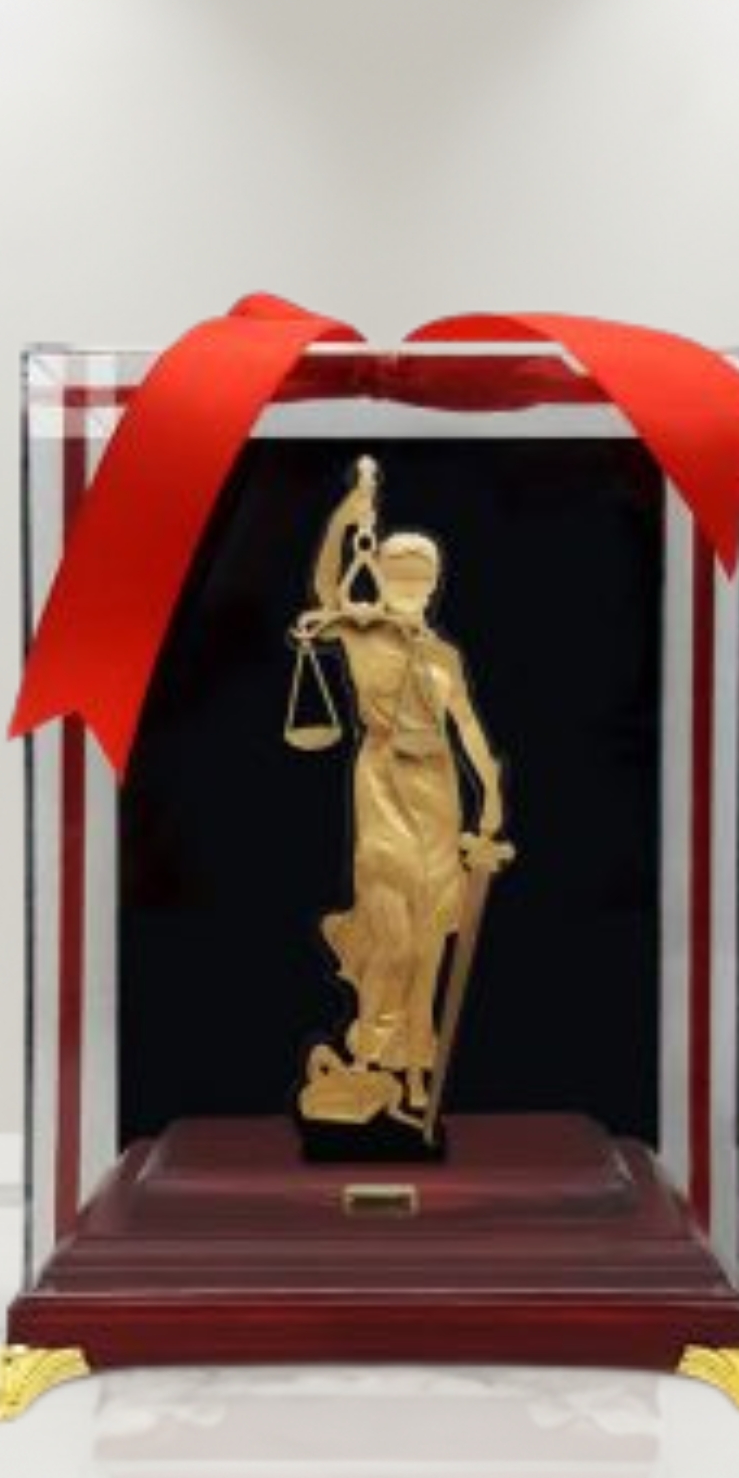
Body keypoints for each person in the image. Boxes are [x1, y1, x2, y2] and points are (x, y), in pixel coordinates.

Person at [293, 457, 504, 1115]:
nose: (413, 587)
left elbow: (468, 729)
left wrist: (492, 793)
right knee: (393, 929)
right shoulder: (363, 631)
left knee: (431, 938)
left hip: (438, 790)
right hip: (382, 780)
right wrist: (348, 516)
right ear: (380, 576)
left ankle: (413, 1065)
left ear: (436, 585)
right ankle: (371, 1046)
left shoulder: (444, 656)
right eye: (401, 574)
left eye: (423, 577)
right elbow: (325, 584)